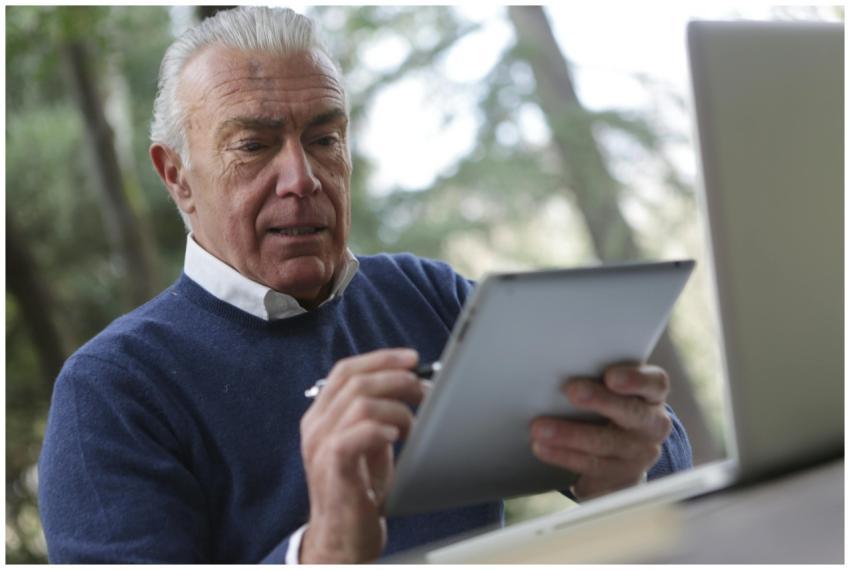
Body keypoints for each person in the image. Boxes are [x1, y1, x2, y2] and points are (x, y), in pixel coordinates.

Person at [38, 7, 692, 563]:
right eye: (254, 146)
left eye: (324, 137)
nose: (303, 178)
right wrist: (321, 551)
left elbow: (665, 482)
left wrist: (628, 468)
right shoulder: (114, 389)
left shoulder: (425, 294)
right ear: (176, 175)